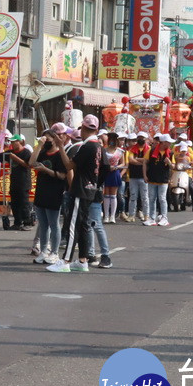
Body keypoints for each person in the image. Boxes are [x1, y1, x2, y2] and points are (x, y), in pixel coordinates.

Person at [53, 115, 109, 272]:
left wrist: (61, 147)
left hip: (81, 188)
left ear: (83, 128)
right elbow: (106, 168)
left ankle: (65, 261)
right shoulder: (99, 147)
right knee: (84, 224)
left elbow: (69, 165)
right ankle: (83, 260)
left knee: (73, 224)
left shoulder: (88, 146)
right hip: (90, 189)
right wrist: (96, 183)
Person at [32, 128, 71, 266]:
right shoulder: (42, 152)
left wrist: (46, 170)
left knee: (53, 223)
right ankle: (44, 250)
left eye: (47, 139)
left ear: (54, 139)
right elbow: (31, 163)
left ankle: (54, 252)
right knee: (43, 224)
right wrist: (39, 145)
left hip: (54, 191)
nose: (46, 142)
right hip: (41, 191)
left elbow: (62, 175)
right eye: (43, 139)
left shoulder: (60, 155)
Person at [1, 134, 33, 232]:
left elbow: (27, 165)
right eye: (11, 142)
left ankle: (27, 222)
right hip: (14, 180)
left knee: (24, 203)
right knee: (15, 203)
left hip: (24, 181)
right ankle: (17, 222)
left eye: (15, 141)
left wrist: (15, 158)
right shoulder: (10, 152)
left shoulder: (26, 152)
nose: (13, 143)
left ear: (21, 142)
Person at [144, 133, 174, 227]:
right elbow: (145, 163)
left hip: (163, 179)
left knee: (162, 198)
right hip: (152, 178)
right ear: (163, 142)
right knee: (152, 199)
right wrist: (144, 175)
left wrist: (169, 163)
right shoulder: (151, 150)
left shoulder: (170, 153)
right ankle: (152, 218)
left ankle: (164, 218)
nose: (170, 144)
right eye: (168, 142)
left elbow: (173, 166)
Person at [126, 132, 150, 222]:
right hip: (133, 176)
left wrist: (138, 160)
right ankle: (131, 215)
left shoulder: (149, 149)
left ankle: (146, 215)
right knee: (133, 196)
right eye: (139, 137)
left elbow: (148, 160)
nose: (140, 139)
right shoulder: (132, 149)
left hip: (144, 177)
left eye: (142, 138)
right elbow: (131, 160)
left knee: (145, 197)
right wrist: (143, 162)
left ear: (146, 139)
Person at [102, 132, 126, 224]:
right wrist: (107, 167)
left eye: (113, 139)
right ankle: (106, 216)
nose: (112, 141)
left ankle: (112, 216)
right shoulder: (104, 150)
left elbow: (123, 163)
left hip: (115, 173)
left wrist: (117, 166)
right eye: (110, 139)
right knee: (106, 194)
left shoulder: (120, 151)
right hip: (106, 172)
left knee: (113, 195)